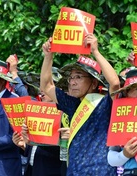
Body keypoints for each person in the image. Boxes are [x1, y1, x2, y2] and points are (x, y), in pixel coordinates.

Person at [40, 33, 120, 175]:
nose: (72, 82)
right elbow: (46, 86)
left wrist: (95, 52)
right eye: (71, 78)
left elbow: (114, 83)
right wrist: (48, 56)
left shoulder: (106, 103)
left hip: (101, 171)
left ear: (94, 82)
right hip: (74, 171)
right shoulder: (72, 104)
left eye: (78, 77)